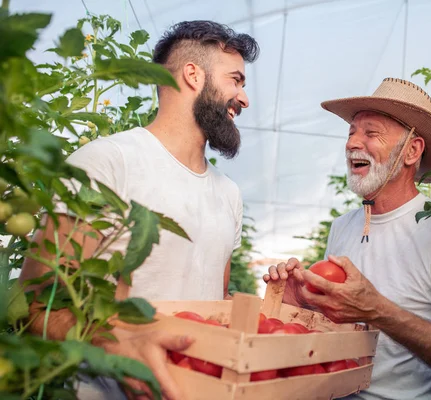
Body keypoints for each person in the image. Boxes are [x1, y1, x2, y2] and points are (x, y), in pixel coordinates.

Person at [19, 20, 259, 399]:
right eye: (236, 80)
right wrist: (115, 346)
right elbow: (34, 303)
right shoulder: (108, 162)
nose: (244, 99)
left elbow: (213, 302)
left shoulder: (229, 194)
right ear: (193, 76)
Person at [264, 78, 431, 399]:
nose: (352, 143)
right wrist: (305, 305)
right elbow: (341, 329)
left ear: (412, 151)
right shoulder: (343, 226)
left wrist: (377, 310)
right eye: (351, 133)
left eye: (370, 133)